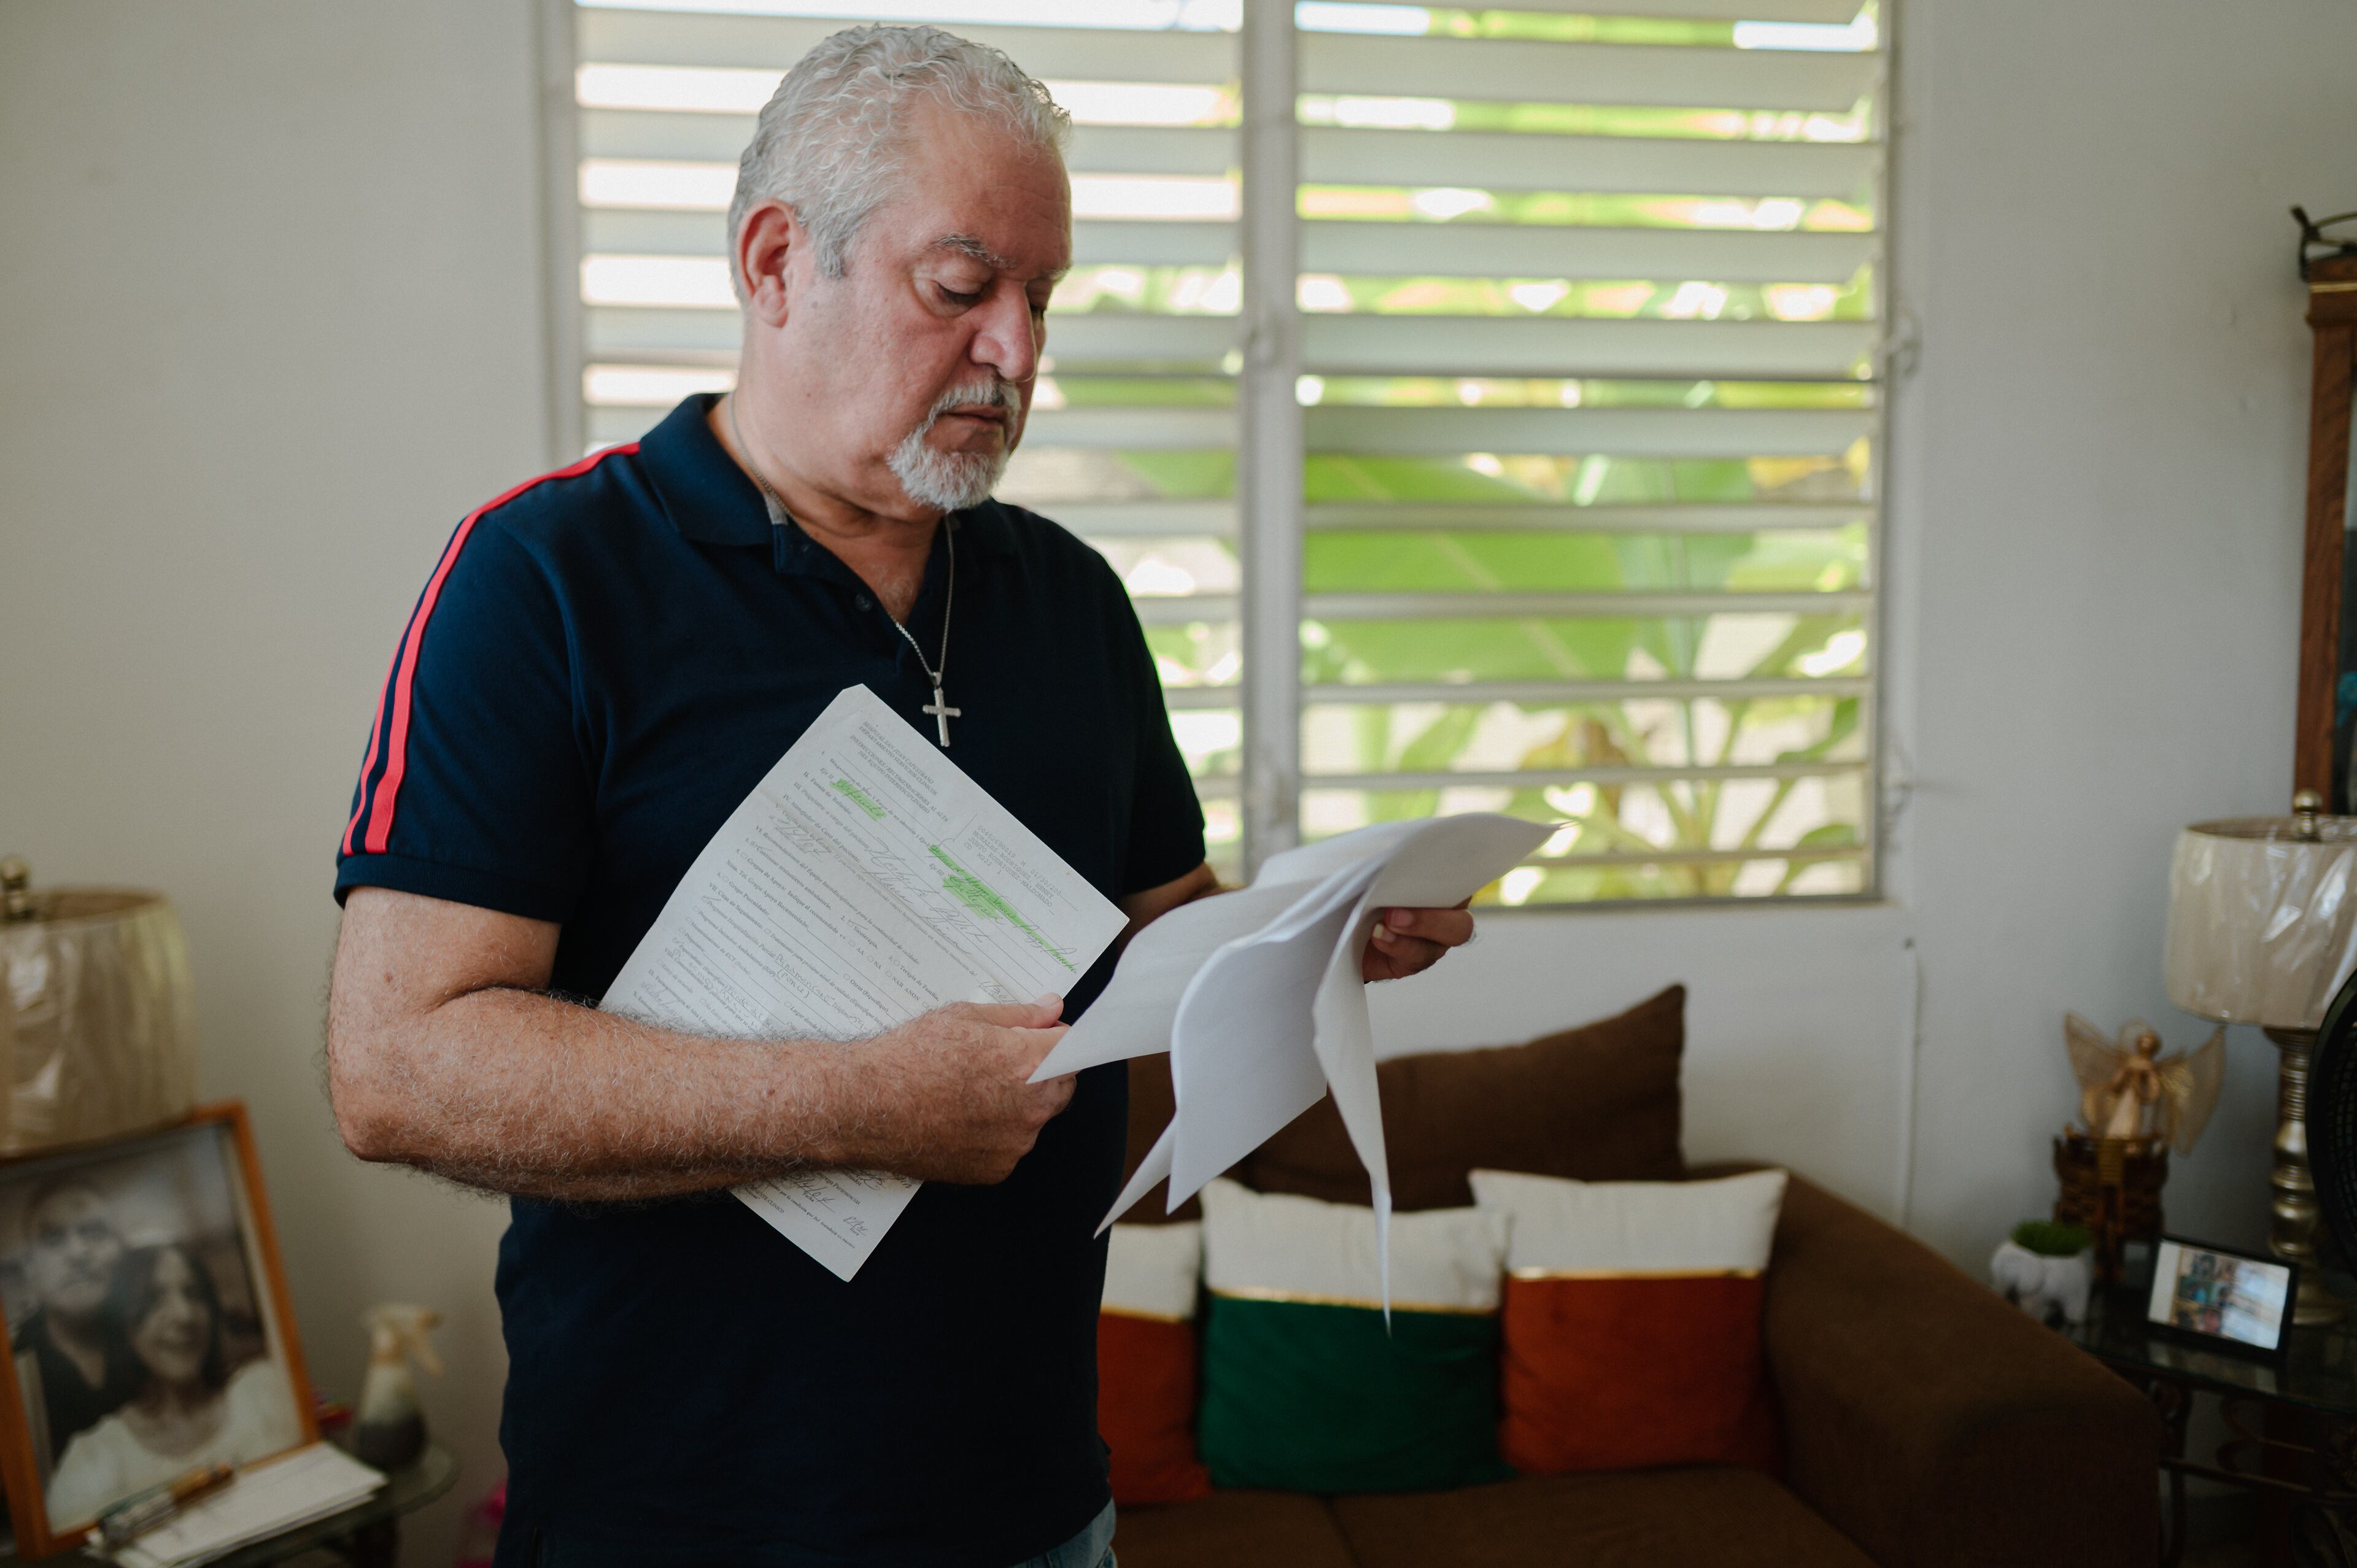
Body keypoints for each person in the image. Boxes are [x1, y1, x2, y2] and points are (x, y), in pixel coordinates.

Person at [324, 25, 1476, 1567]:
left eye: (1041, 300)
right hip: (675, 1521)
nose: (1015, 352)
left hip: (1035, 1509)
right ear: (776, 258)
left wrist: (1318, 931)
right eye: (962, 287)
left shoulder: (1069, 599)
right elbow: (396, 1067)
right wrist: (857, 1105)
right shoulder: (541, 584)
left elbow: (1158, 946)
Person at [44, 1244, 298, 1531]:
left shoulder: (264, 1392)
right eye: (153, 1299)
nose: (184, 1315)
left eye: (194, 1294)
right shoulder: (92, 1465)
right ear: (122, 1325)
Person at [10, 1179, 135, 1473]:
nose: (78, 1252)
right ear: (30, 1267)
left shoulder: (159, 1345)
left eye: (94, 1233)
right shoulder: (11, 1371)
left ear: (122, 1251)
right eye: (52, 1240)